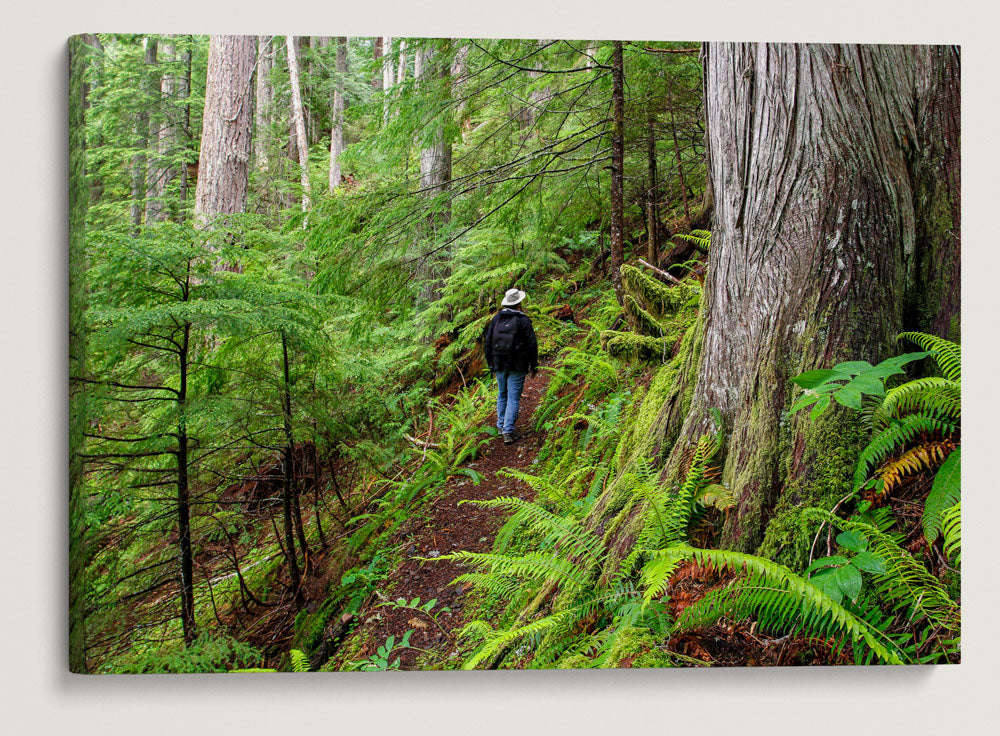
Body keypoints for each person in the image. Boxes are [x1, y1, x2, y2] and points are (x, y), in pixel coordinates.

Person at [483, 288, 539, 444]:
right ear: (519, 303)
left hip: (499, 363)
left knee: (502, 394)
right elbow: (531, 344)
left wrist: (491, 364)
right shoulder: (523, 320)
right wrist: (533, 365)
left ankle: (501, 426)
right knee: (513, 398)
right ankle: (508, 431)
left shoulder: (496, 319)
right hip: (518, 364)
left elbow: (487, 344)